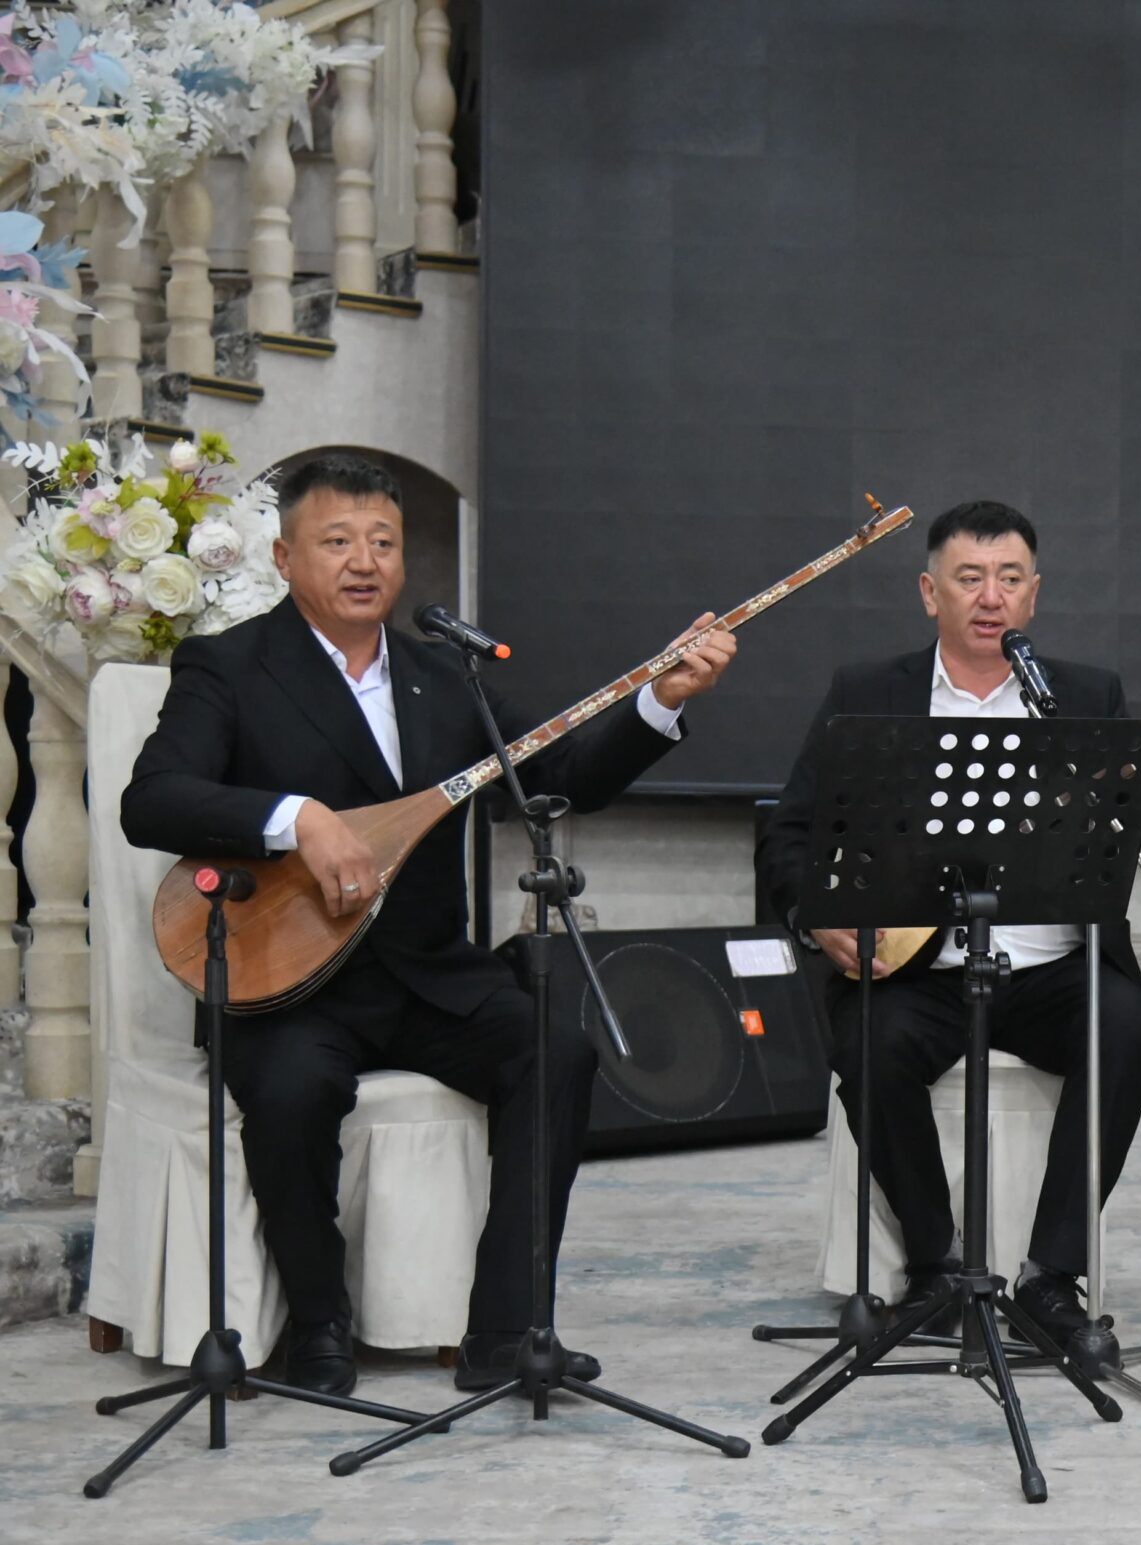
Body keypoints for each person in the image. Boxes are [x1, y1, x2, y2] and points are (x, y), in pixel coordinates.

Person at [121, 452, 736, 1396]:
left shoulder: (445, 674)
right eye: (337, 541)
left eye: (383, 541)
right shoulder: (231, 665)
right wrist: (296, 818)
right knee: (291, 1089)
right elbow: (153, 799)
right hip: (290, 983)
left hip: (429, 975)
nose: (364, 561)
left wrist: (664, 698)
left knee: (555, 1052)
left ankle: (506, 1332)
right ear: (284, 557)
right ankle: (320, 1321)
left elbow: (563, 776)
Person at [756, 499, 1141, 1361]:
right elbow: (789, 835)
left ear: (1034, 595)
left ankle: (1051, 1276)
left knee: (1126, 1031)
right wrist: (819, 919)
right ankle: (935, 1265)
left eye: (1010, 579)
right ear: (928, 592)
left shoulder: (1083, 696)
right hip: (919, 971)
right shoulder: (868, 693)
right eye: (970, 578)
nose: (991, 597)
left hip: (1055, 971)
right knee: (867, 1043)